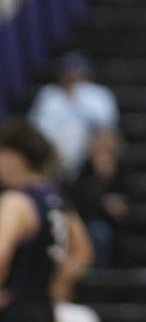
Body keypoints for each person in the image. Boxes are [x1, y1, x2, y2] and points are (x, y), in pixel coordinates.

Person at [0, 117, 94, 321]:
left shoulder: (16, 201)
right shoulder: (57, 198)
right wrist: (55, 284)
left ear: (15, 157)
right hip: (44, 308)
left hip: (15, 311)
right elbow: (83, 253)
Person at [28, 52, 119, 179]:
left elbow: (108, 130)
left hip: (86, 159)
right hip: (51, 157)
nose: (71, 75)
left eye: (76, 71)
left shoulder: (98, 95)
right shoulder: (48, 95)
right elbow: (33, 127)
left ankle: (100, 184)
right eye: (68, 71)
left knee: (104, 143)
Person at [68, 129, 129, 268]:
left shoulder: (122, 173)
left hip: (116, 227)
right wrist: (103, 201)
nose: (104, 159)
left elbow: (130, 204)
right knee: (98, 233)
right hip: (89, 224)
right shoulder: (85, 172)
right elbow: (77, 200)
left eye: (108, 153)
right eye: (100, 153)